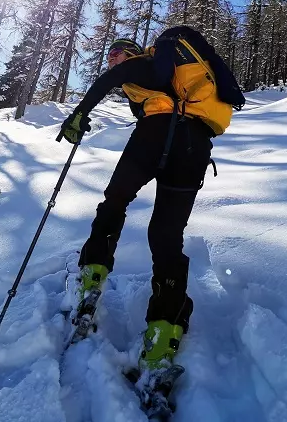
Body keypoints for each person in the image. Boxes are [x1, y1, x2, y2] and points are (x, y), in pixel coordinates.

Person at [59, 36, 213, 371]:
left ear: (131, 53)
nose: (112, 59)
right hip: (195, 145)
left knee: (114, 201)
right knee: (166, 235)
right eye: (110, 55)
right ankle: (165, 330)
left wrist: (79, 113)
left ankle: (92, 274)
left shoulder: (140, 65)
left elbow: (108, 80)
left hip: (155, 134)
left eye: (116, 53)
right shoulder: (161, 78)